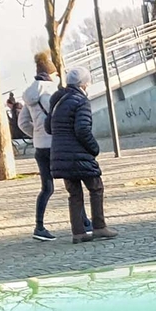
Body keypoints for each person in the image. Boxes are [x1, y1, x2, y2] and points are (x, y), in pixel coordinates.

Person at [48, 66, 114, 244]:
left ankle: (78, 233)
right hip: (79, 154)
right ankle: (99, 227)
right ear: (84, 84)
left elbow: (48, 127)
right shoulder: (80, 101)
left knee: (74, 194)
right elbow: (82, 129)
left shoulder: (58, 100)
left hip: (60, 155)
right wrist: (94, 148)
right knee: (96, 187)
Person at [22, 50, 62, 243]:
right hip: (57, 143)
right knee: (74, 183)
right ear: (51, 73)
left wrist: (37, 134)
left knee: (47, 188)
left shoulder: (29, 94)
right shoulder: (52, 90)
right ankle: (84, 223)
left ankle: (39, 226)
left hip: (40, 146)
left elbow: (22, 122)